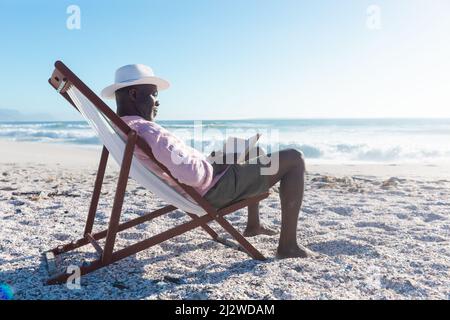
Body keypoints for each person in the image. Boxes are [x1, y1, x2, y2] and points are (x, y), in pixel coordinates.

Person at [101, 64, 308, 258]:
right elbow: (193, 175)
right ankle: (288, 246)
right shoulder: (148, 130)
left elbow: (181, 166)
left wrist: (215, 161)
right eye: (154, 94)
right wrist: (216, 166)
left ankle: (253, 226)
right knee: (294, 158)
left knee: (255, 150)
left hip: (200, 186)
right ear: (134, 94)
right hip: (212, 191)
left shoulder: (122, 127)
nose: (158, 101)